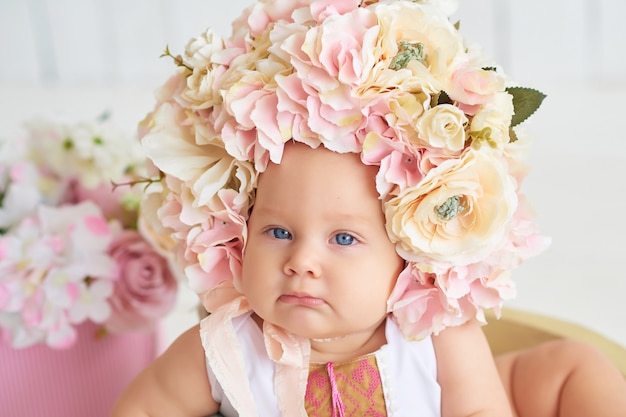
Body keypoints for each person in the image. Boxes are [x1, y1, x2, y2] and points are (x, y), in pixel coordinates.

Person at [113, 0, 626, 415]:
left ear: (410, 261)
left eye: (343, 239)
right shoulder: (221, 350)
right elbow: (140, 407)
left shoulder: (433, 331)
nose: (301, 261)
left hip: (515, 396)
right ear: (237, 232)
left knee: (576, 367)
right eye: (277, 232)